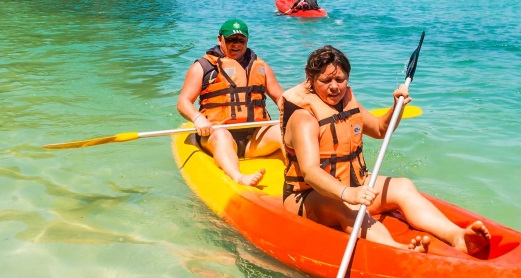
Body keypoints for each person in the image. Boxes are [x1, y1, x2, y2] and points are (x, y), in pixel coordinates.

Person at [280, 45, 491, 254]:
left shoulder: (346, 102)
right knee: (348, 208)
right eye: (326, 81)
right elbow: (310, 171)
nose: (335, 87)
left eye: (340, 80)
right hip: (310, 197)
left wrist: (397, 107)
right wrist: (348, 193)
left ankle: (457, 237)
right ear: (310, 78)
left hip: (355, 186)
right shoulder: (303, 118)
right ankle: (398, 250)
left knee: (403, 186)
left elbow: (381, 129)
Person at [177, 19, 284, 186]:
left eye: (241, 41)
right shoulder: (203, 67)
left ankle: (301, 173)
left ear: (247, 41)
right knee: (221, 134)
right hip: (216, 135)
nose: (236, 45)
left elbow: (280, 98)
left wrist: (295, 117)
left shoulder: (261, 66)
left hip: (254, 140)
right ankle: (239, 177)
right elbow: (183, 102)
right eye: (231, 40)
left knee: (283, 130)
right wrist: (197, 118)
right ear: (220, 39)